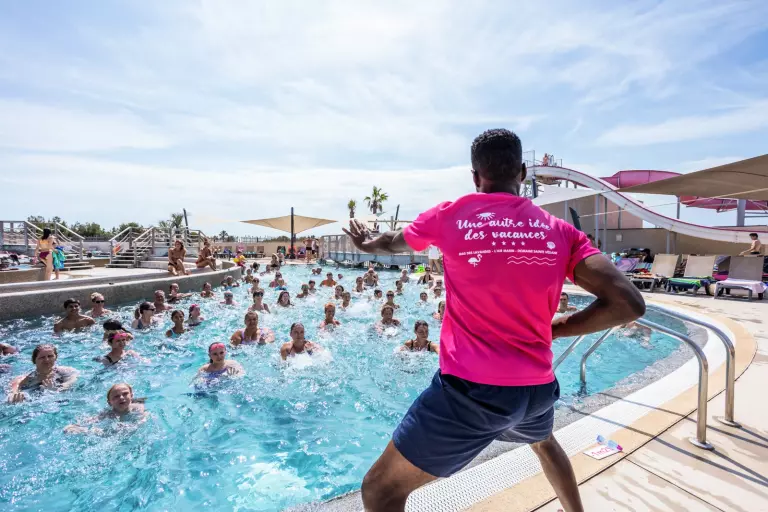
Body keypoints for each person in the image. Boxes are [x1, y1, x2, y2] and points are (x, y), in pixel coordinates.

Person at [342, 128, 645, 511]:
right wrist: (557, 329)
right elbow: (628, 303)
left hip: (473, 393)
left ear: (475, 176)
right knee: (544, 442)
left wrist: (366, 242)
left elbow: (392, 242)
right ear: (522, 173)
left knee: (379, 490)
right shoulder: (560, 231)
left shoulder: (450, 216)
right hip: (536, 390)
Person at [64, 383, 147, 434]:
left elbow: (141, 422)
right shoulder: (108, 413)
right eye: (116, 396)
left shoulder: (138, 408)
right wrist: (76, 426)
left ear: (131, 396)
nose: (121, 397)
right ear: (109, 403)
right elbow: (93, 419)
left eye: (125, 394)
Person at [7, 344, 79, 403]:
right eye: (42, 357)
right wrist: (14, 398)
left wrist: (57, 389)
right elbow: (13, 391)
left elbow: (70, 382)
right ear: (34, 360)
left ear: (55, 357)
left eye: (50, 356)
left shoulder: (66, 371)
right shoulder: (23, 379)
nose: (47, 360)